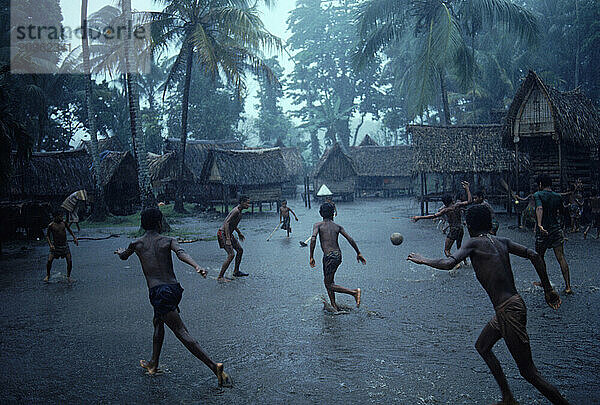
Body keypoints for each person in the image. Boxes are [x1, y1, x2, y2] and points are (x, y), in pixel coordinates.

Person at [407, 205, 569, 405]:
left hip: (508, 311)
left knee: (529, 373)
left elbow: (449, 263)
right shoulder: (501, 241)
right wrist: (548, 290)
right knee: (483, 346)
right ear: (489, 224)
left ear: (468, 225)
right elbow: (534, 256)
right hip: (511, 307)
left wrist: (424, 260)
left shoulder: (473, 243)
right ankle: (508, 397)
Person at [114, 208, 232, 386]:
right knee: (158, 321)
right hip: (173, 290)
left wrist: (120, 251)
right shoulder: (168, 240)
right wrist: (196, 266)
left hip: (159, 293)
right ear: (160, 223)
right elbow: (181, 253)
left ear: (143, 224)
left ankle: (214, 366)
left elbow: (124, 256)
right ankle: (153, 363)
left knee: (181, 332)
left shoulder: (136, 244)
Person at [309, 202, 366, 311]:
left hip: (329, 256)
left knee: (328, 284)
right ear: (333, 214)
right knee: (329, 281)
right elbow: (350, 239)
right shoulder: (337, 226)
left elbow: (313, 239)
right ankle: (334, 306)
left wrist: (311, 256)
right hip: (337, 255)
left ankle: (354, 292)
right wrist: (358, 253)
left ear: (321, 213)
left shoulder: (318, 225)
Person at [411, 181, 472, 262]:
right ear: (451, 200)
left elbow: (433, 216)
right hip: (460, 228)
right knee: (459, 248)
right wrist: (467, 188)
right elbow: (469, 201)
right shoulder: (457, 205)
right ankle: (465, 262)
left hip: (453, 229)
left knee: (447, 250)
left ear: (444, 202)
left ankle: (455, 263)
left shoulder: (445, 210)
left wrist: (419, 217)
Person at [533, 174, 572, 294]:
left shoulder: (538, 194)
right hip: (556, 229)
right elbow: (562, 212)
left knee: (539, 257)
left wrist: (539, 225)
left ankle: (545, 283)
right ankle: (568, 286)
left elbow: (539, 208)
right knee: (561, 257)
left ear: (540, 184)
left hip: (543, 231)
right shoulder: (557, 196)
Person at [217, 196, 250, 281]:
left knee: (240, 250)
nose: (248, 205)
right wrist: (228, 238)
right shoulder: (236, 211)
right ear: (242, 202)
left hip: (229, 234)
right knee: (231, 255)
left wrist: (239, 233)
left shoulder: (239, 212)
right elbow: (227, 223)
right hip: (223, 234)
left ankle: (236, 271)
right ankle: (220, 276)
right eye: (247, 203)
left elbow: (233, 224)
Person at [45, 211, 78, 282]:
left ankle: (68, 276)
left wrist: (74, 238)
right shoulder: (51, 225)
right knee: (49, 260)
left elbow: (70, 230)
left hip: (64, 245)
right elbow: (47, 236)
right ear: (55, 217)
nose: (62, 218)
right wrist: (50, 245)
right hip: (55, 246)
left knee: (69, 260)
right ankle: (48, 275)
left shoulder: (64, 223)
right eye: (60, 216)